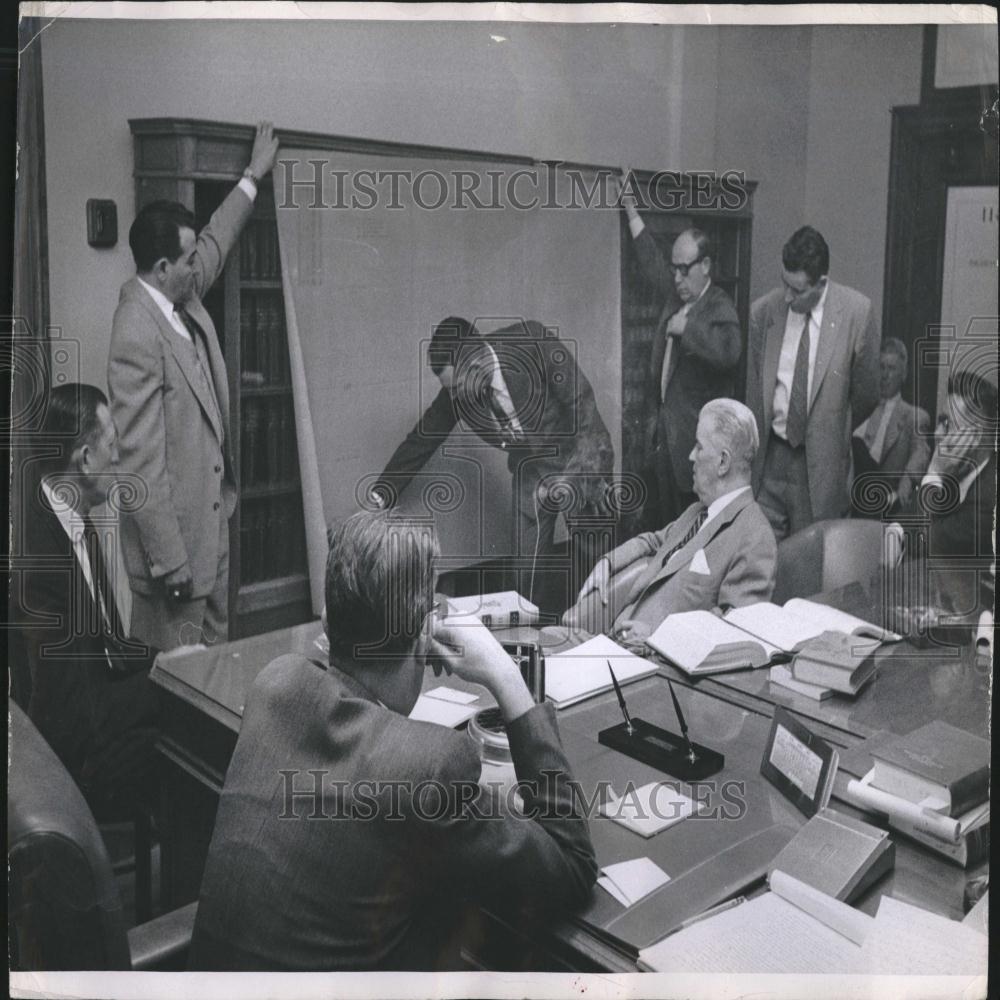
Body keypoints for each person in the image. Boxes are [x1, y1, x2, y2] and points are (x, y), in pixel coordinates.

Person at [190, 510, 597, 970]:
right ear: (426, 631)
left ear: (328, 620)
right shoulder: (430, 770)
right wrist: (504, 676)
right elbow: (573, 865)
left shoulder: (274, 687)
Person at [108, 122, 279, 650]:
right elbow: (140, 464)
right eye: (186, 261)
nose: (195, 265)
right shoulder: (135, 330)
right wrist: (170, 562)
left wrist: (253, 176)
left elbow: (214, 242)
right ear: (162, 269)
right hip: (176, 563)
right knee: (182, 693)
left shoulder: (180, 294)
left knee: (217, 675)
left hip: (213, 541)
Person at [371, 316, 615, 600]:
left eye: (456, 389)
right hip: (530, 470)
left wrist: (579, 478)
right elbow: (423, 438)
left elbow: (582, 406)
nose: (454, 398)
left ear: (477, 364)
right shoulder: (460, 389)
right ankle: (530, 637)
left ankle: (604, 631)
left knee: (596, 561)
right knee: (526, 569)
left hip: (578, 455)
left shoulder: (531, 341)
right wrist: (382, 492)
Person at [12, 384, 159, 816]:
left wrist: (168, 663)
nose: (118, 458)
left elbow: (109, 645)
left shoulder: (72, 518)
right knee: (195, 739)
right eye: (112, 445)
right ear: (87, 458)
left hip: (90, 714)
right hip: (67, 758)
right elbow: (67, 713)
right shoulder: (37, 557)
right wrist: (164, 685)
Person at [564, 398, 776, 640]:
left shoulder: (754, 535)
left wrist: (656, 636)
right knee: (540, 644)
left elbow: (734, 629)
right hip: (616, 642)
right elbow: (652, 541)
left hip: (653, 663)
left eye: (699, 446)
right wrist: (607, 563)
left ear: (723, 462)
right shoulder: (697, 512)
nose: (690, 456)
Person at [617, 172, 742, 527]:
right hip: (665, 450)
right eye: (675, 271)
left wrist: (688, 329)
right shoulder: (677, 293)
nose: (677, 279)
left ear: (705, 267)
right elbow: (652, 263)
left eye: (685, 270)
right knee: (667, 533)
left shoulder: (719, 307)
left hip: (697, 453)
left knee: (694, 539)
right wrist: (629, 207)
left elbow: (729, 352)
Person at [746, 226, 880, 540]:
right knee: (760, 561)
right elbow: (755, 392)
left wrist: (828, 428)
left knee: (809, 567)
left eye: (798, 290)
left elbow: (867, 395)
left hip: (819, 469)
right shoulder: (763, 313)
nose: (788, 297)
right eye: (784, 284)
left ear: (821, 283)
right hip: (770, 463)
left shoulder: (856, 313)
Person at [917, 364, 997, 624]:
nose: (938, 434)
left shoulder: (991, 494)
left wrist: (934, 470)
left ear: (977, 437)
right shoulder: (955, 477)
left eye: (948, 424)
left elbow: (932, 542)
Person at [851, 337, 931, 516]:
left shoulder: (914, 416)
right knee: (854, 443)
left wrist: (908, 479)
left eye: (892, 368)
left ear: (903, 374)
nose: (885, 375)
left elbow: (921, 452)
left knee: (856, 444)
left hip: (886, 489)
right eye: (881, 367)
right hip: (856, 491)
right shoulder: (863, 409)